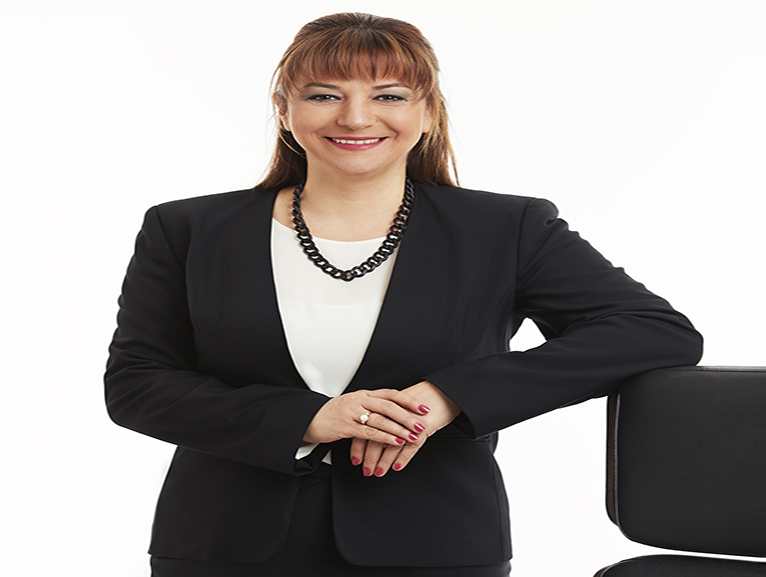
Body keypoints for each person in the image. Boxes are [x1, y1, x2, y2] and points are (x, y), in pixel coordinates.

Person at [105, 12, 703, 577]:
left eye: (388, 96)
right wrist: (308, 418)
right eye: (324, 95)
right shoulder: (187, 229)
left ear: (428, 112)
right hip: (223, 543)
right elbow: (137, 383)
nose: (356, 118)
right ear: (284, 109)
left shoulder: (505, 230)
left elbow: (652, 331)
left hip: (434, 543)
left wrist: (447, 397)